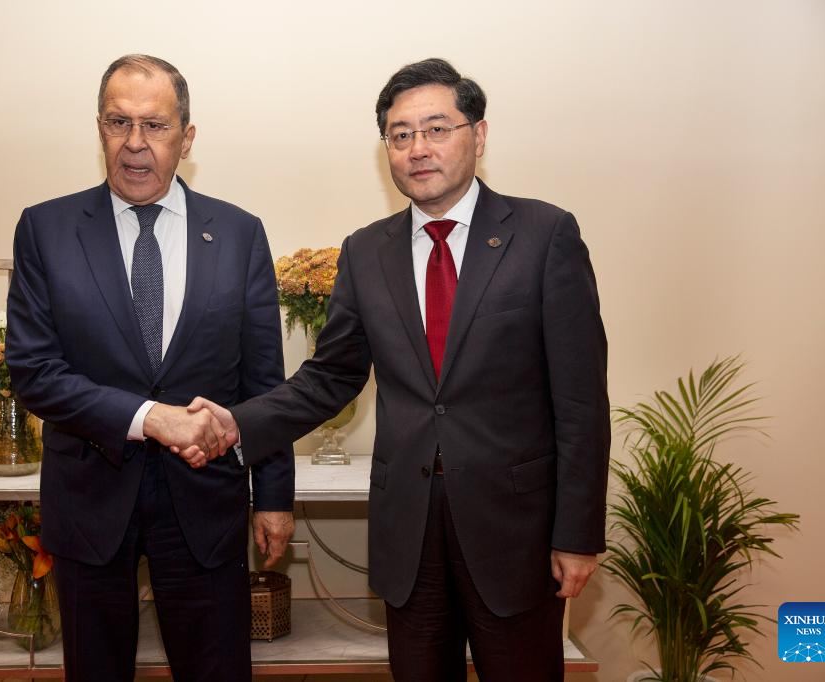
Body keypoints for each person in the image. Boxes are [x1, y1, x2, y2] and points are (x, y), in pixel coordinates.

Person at [190, 58, 609, 681]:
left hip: (515, 532)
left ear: (479, 135)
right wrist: (236, 423)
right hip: (409, 532)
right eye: (400, 134)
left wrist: (577, 533)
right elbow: (331, 377)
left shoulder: (544, 234)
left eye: (437, 129)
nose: (418, 148)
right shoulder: (366, 251)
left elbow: (580, 401)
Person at [5, 54, 294, 682]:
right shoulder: (46, 229)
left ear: (186, 138)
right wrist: (150, 418)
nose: (134, 143)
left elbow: (263, 384)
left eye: (155, 125)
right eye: (118, 122)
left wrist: (273, 498)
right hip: (89, 501)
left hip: (205, 503)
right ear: (100, 129)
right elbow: (33, 370)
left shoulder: (240, 233)